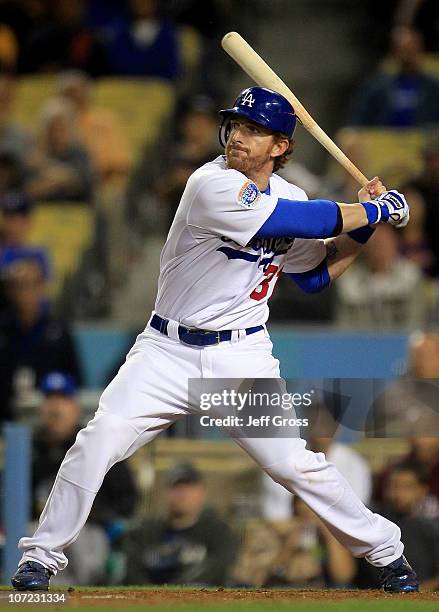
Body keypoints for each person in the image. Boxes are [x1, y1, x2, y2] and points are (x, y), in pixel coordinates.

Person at [12, 86, 418, 593]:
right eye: (236, 125)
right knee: (96, 442)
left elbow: (314, 274)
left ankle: (387, 553)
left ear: (280, 146)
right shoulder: (212, 184)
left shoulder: (290, 195)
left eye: (253, 130)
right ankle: (41, 558)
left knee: (294, 464)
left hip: (238, 354)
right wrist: (376, 213)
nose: (237, 137)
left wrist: (364, 226)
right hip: (166, 350)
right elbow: (298, 220)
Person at [123, 462, 236, 585]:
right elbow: (133, 574)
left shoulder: (218, 532)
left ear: (202, 493)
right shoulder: (143, 532)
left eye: (189, 487)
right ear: (165, 493)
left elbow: (218, 569)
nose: (182, 493)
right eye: (176, 487)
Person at [0, 259, 82, 420]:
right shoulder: (3, 329)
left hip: (46, 417)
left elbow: (75, 379)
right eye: (17, 286)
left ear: (41, 288)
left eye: (29, 285)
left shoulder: (58, 332)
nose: (23, 293)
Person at [358, 464, 439, 591]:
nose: (398, 494)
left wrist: (415, 592)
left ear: (422, 491)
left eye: (407, 487)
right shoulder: (373, 523)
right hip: (374, 596)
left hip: (421, 597)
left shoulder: (431, 530)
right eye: (393, 486)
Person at [349, 27, 439, 127]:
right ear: (394, 52)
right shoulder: (376, 87)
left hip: (422, 140)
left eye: (411, 49)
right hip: (385, 139)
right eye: (403, 50)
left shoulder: (434, 88)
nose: (408, 56)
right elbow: (358, 121)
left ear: (420, 49)